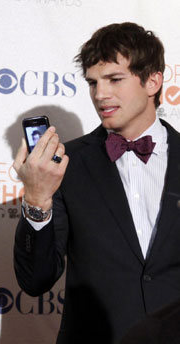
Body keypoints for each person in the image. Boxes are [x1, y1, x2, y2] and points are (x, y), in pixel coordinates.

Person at [13, 22, 180, 343]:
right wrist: (36, 199)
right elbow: (35, 281)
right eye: (92, 83)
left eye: (114, 79)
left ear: (153, 81)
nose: (100, 94)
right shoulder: (66, 165)